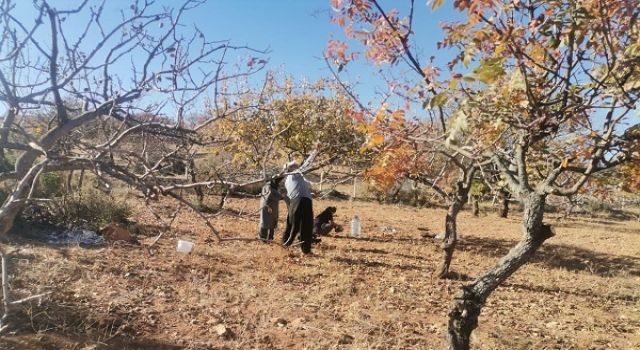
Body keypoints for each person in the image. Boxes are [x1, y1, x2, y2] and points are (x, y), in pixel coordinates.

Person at [281, 161, 314, 254]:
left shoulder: (288, 180)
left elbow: (288, 196)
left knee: (291, 225)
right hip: (303, 201)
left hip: (296, 202)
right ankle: (305, 250)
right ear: (289, 170)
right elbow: (307, 164)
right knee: (305, 226)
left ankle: (284, 244)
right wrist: (315, 151)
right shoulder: (294, 174)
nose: (296, 167)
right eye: (293, 166)